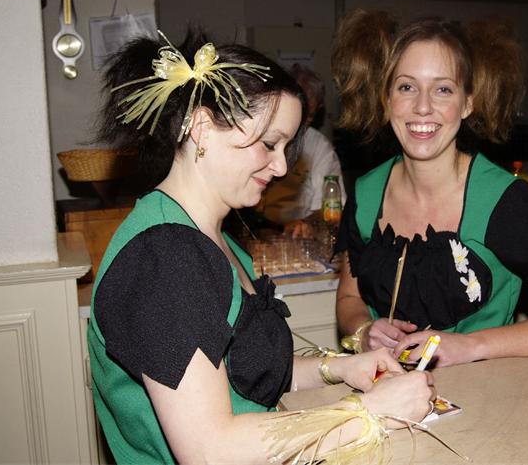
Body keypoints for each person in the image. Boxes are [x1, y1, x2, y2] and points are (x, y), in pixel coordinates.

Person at [88, 31, 435, 465]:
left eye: (287, 147)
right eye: (269, 144)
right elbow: (209, 450)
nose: (282, 166)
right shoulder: (165, 258)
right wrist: (370, 411)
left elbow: (247, 372)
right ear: (201, 128)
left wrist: (339, 368)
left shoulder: (214, 240)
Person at [332, 10, 528, 367]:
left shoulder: (502, 200)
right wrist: (364, 330)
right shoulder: (367, 193)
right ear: (386, 99)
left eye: (443, 89)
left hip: (484, 390)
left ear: (467, 103)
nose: (423, 107)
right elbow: (349, 299)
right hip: (386, 390)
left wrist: (471, 346)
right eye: (406, 87)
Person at [260, 64, 346, 238]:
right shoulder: (257, 135)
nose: (299, 125)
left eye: (308, 117)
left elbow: (331, 208)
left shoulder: (320, 147)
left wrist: (304, 224)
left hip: (297, 236)